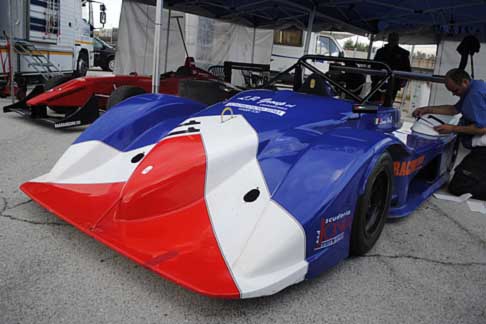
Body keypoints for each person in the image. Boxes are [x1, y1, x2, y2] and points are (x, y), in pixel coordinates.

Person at [413, 68, 486, 199]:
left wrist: (452, 128)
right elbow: (454, 109)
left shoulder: (474, 95)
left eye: (455, 90)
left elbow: (481, 129)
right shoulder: (474, 87)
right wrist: (427, 109)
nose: (454, 94)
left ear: (464, 82)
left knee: (458, 186)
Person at [371, 32, 412, 103]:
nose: (393, 40)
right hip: (378, 82)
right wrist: (374, 77)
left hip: (393, 83)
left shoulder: (404, 53)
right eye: (391, 38)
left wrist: (404, 80)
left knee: (387, 104)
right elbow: (374, 65)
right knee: (373, 102)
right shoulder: (380, 51)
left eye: (395, 39)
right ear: (388, 39)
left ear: (398, 40)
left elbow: (407, 69)